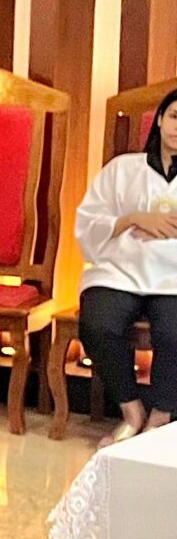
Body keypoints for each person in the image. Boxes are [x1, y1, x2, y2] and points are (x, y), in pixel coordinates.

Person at [74, 85, 177, 443]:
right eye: (175, 117)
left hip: (173, 277)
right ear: (160, 120)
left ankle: (161, 416)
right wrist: (132, 218)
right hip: (121, 269)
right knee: (97, 323)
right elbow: (88, 221)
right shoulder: (122, 169)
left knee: (174, 332)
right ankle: (132, 411)